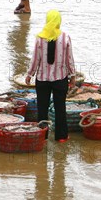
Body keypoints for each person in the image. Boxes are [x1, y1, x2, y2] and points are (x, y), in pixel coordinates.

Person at [25, 10, 76, 142]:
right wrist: (73, 75)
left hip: (42, 79)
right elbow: (69, 59)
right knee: (60, 107)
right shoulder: (65, 37)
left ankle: (43, 136)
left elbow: (35, 59)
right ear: (59, 21)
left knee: (42, 108)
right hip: (60, 79)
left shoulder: (40, 38)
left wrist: (29, 74)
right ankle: (61, 136)